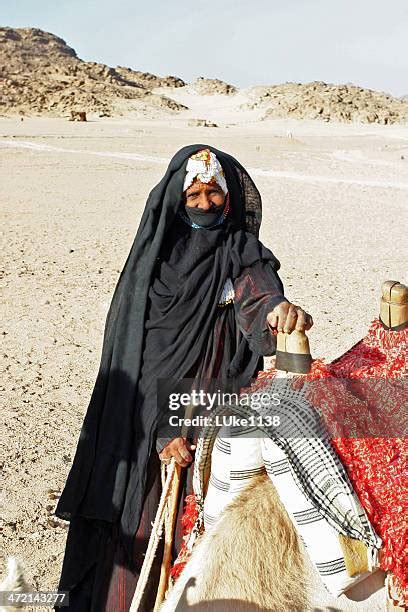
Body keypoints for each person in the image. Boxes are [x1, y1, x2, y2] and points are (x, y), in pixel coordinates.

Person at [54, 145, 313, 611]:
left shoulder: (239, 248)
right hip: (151, 416)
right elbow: (139, 355)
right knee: (143, 520)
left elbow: (259, 291)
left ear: (229, 197)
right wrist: (159, 427)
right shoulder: (155, 262)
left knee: (210, 512)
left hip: (214, 400)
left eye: (214, 193)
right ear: (177, 197)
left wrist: (278, 311)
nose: (205, 203)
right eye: (194, 193)